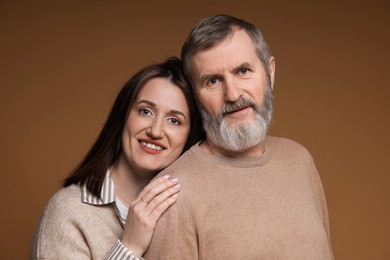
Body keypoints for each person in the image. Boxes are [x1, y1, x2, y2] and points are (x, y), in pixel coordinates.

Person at [144, 15, 334, 259]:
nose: (232, 94)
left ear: (269, 72)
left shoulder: (299, 159)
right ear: (195, 95)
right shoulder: (173, 193)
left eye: (243, 71)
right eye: (212, 80)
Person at [29, 57, 204, 259]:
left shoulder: (192, 213)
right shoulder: (68, 212)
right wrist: (129, 246)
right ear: (123, 118)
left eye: (174, 120)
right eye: (145, 111)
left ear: (190, 135)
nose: (156, 131)